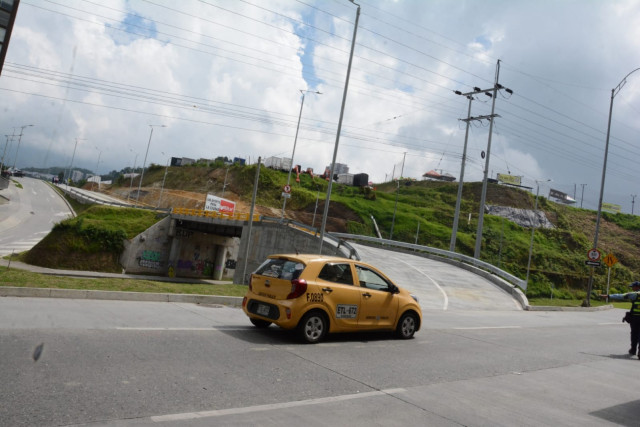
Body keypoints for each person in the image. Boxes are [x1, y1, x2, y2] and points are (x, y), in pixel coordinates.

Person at [600, 281, 640, 358]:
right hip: (635, 317)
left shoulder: (634, 294)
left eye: (633, 287)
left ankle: (633, 350)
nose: (632, 288)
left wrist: (608, 296)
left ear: (637, 287)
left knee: (634, 334)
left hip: (635, 317)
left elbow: (621, 296)